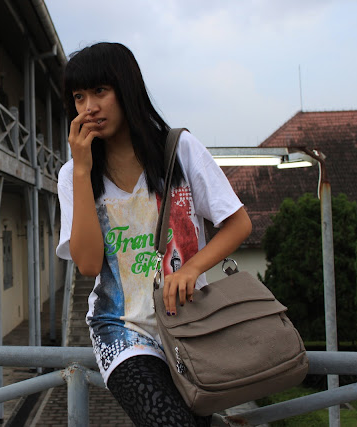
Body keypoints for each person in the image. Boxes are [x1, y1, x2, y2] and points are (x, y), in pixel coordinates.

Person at [55, 42, 252, 426]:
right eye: (79, 97)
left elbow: (238, 223)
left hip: (192, 325)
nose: (89, 107)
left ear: (126, 89)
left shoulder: (179, 151)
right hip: (121, 331)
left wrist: (191, 269)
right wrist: (81, 170)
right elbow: (89, 264)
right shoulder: (73, 175)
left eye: (100, 91)